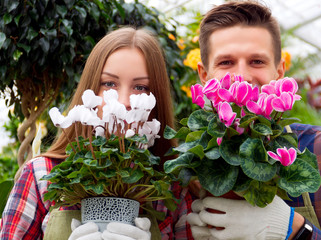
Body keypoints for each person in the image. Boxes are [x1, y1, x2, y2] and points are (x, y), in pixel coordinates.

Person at [187, 1, 321, 240]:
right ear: (205, 77)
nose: (242, 76)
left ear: (279, 72)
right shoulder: (190, 164)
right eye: (225, 62)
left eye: (257, 61)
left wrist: (294, 229)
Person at [0, 27, 194, 240]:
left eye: (140, 87)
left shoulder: (171, 188)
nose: (123, 101)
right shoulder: (41, 176)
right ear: (90, 88)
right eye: (109, 84)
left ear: (156, 99)